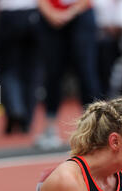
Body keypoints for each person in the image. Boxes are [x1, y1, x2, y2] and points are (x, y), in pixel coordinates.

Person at [35, 0, 101, 150]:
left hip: (81, 15)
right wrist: (51, 13)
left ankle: (94, 129)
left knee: (86, 73)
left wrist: (70, 13)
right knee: (52, 73)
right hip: (51, 19)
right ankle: (50, 129)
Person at [0, 0, 42, 133]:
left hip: (8, 15)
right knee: (32, 70)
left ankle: (15, 108)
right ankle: (26, 119)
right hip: (33, 14)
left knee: (7, 68)